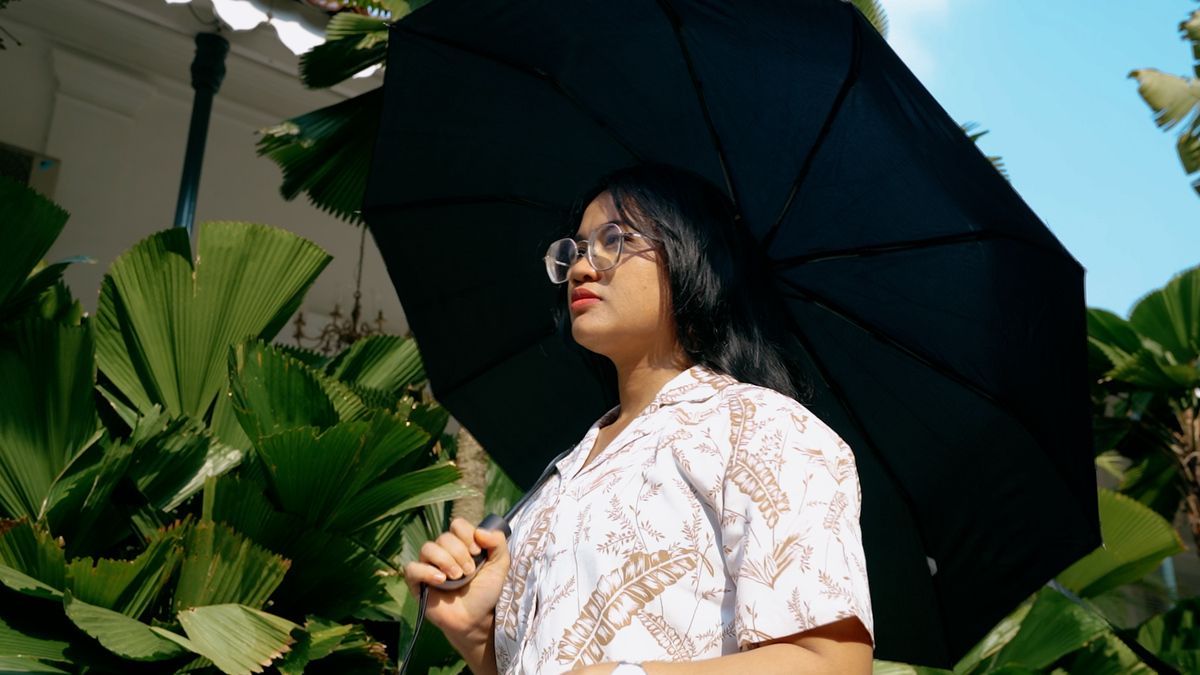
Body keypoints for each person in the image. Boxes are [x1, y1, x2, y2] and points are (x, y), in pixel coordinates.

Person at [403, 164, 874, 675]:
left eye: (614, 240)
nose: (583, 268)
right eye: (576, 250)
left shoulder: (765, 429)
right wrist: (478, 638)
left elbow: (832, 664)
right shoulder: (562, 473)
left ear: (693, 254)